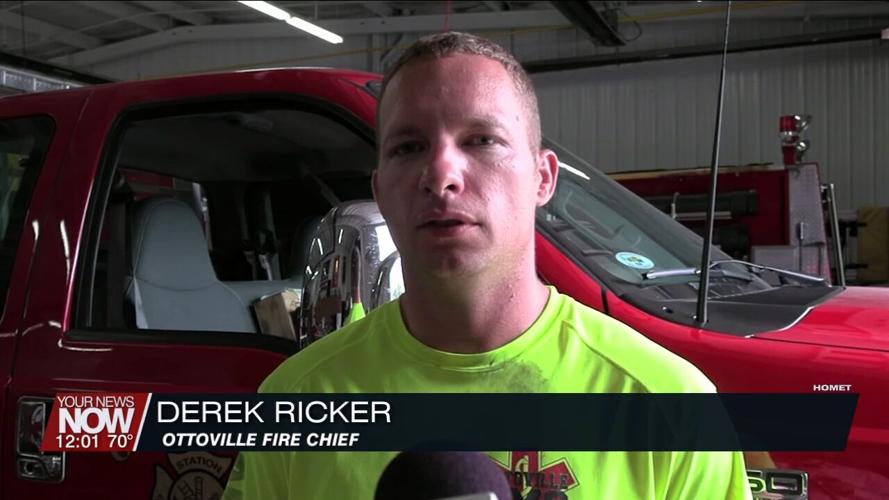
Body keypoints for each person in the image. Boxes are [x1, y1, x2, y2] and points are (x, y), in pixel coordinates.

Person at [222, 32, 752, 500]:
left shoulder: (669, 405)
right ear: (380, 192)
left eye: (481, 140)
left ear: (543, 179)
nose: (441, 175)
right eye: (408, 147)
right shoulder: (297, 402)